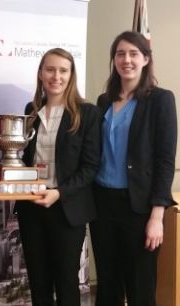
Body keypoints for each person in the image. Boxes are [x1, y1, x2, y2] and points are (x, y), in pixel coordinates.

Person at [90, 31, 177, 306]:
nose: (126, 59)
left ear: (145, 59)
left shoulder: (160, 100)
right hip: (102, 204)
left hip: (138, 207)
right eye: (120, 54)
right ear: (114, 60)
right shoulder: (104, 101)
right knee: (107, 286)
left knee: (140, 288)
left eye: (133, 53)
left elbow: (165, 160)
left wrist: (156, 216)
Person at [14, 48, 101, 306]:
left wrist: (59, 192)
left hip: (66, 209)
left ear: (71, 75)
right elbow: (25, 157)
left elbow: (90, 166)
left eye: (63, 70)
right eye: (50, 69)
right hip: (31, 207)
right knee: (38, 284)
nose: (56, 76)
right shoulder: (31, 109)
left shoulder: (87, 113)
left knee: (66, 284)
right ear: (41, 73)